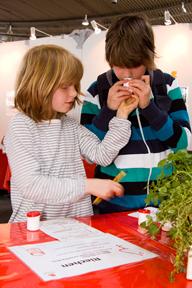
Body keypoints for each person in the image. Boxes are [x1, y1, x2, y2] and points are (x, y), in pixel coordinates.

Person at [4, 44, 139, 223]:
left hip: (75, 226)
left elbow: (102, 155)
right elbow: (32, 186)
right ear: (40, 85)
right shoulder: (22, 125)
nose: (74, 92)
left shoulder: (69, 125)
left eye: (75, 85)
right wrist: (88, 185)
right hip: (35, 230)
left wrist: (122, 115)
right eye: (65, 86)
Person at [81, 14, 191, 214]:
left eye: (134, 65)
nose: (127, 74)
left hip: (166, 203)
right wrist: (108, 110)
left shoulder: (166, 85)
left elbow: (184, 143)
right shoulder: (96, 91)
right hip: (115, 204)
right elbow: (89, 154)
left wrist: (150, 107)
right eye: (119, 65)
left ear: (148, 57)